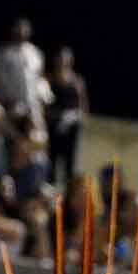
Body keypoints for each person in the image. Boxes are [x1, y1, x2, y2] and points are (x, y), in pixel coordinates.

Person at [0, 16, 47, 126]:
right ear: (13, 30)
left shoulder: (36, 53)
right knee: (12, 138)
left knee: (37, 139)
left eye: (25, 28)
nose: (21, 31)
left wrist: (42, 99)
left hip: (33, 107)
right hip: (11, 106)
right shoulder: (3, 54)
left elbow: (40, 78)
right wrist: (6, 101)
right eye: (19, 28)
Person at [45, 46, 88, 182]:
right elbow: (45, 103)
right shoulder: (50, 79)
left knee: (70, 163)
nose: (63, 62)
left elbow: (83, 103)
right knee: (51, 159)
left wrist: (80, 117)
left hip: (72, 126)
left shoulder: (77, 80)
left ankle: (68, 192)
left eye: (66, 59)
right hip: (53, 124)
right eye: (61, 59)